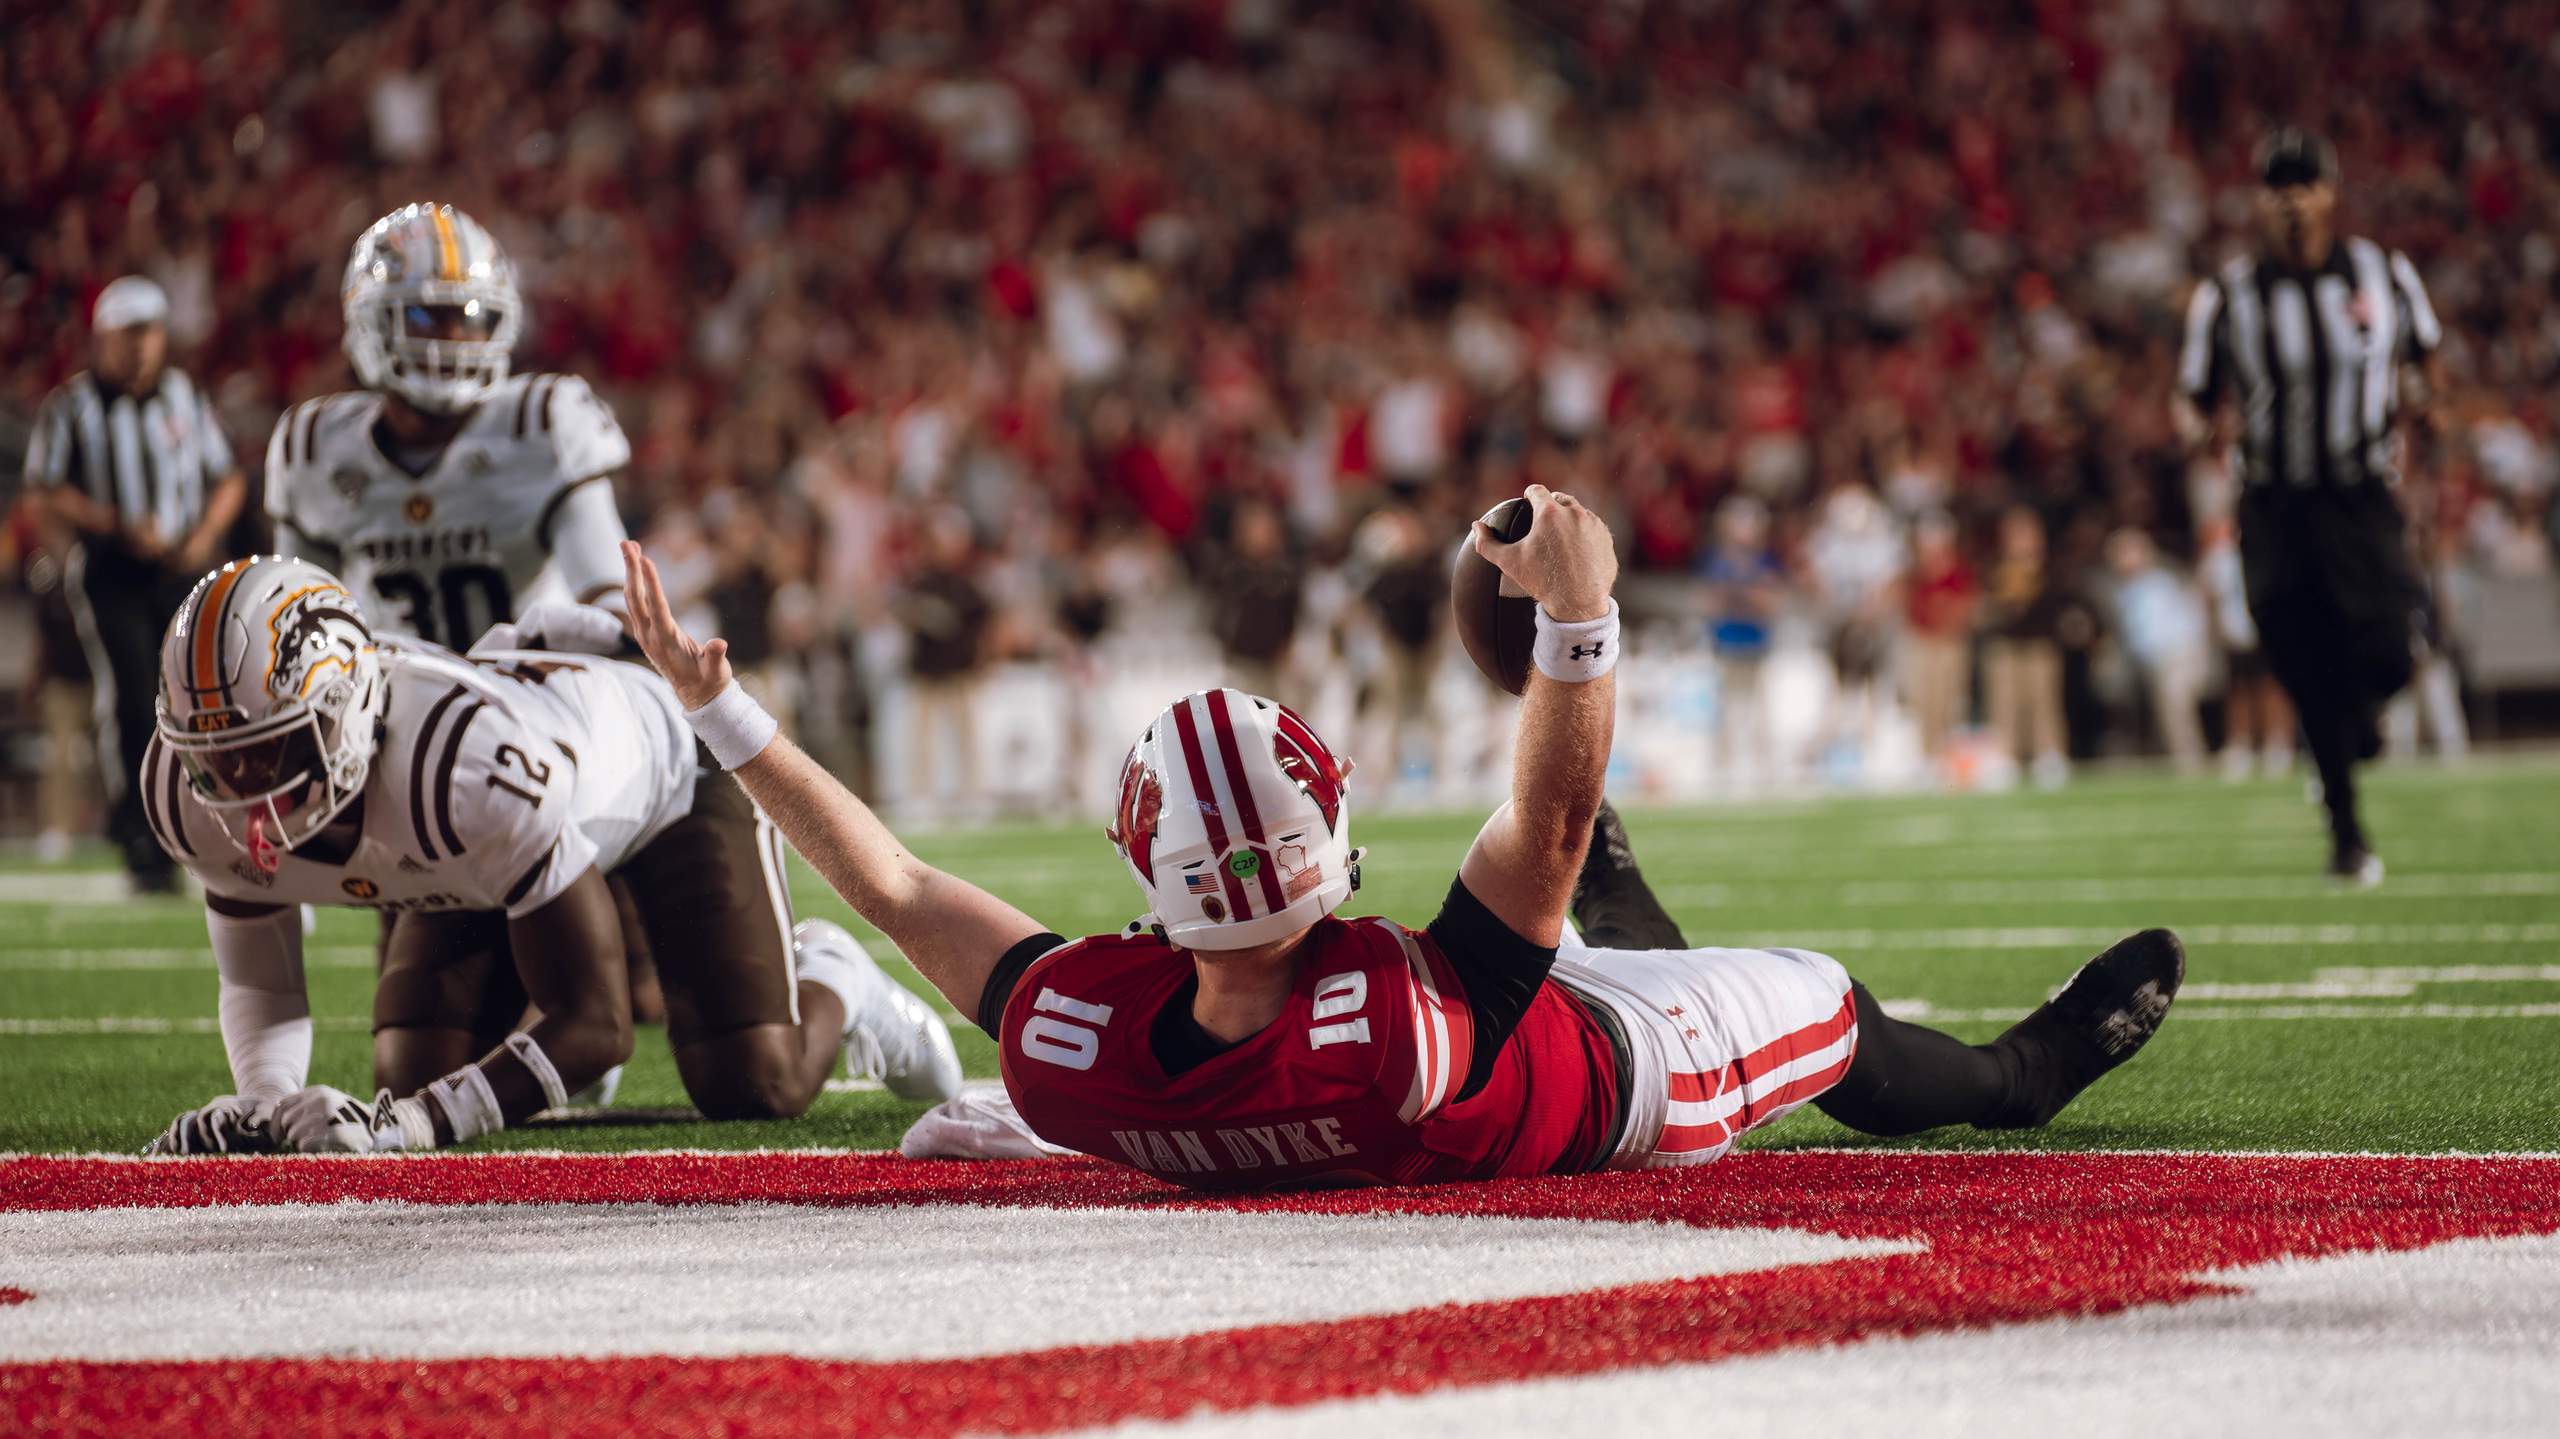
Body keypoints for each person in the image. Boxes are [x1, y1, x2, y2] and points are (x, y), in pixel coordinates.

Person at [619, 487, 2184, 1192]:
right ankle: (2022, 1074)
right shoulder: (1397, 1021)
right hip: (1609, 1077)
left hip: (1467, 1007)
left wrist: (724, 716)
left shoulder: (1077, 1055)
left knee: (1557, 909)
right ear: (1329, 845)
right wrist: (1580, 620)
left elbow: (893, 887)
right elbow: (1544, 822)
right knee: (1826, 999)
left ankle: (1616, 918)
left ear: (1148, 886)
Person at [137, 556, 960, 1156]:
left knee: (752, 1080)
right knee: (412, 1065)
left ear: (348, 713)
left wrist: (423, 1124)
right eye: (218, 760)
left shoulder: (465, 770)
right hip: (500, 836)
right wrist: (266, 1107)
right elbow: (259, 982)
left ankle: (837, 976)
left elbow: (598, 1023)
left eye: (270, 753)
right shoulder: (185, 793)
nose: (241, 794)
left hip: (661, 771)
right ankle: (532, 1050)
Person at [2174, 130, 2444, 885]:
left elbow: (2425, 354)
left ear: (2331, 192)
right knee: (2303, 660)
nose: (2292, 197)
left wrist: (2427, 401)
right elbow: (2191, 398)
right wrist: (2199, 430)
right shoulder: (2227, 295)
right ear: (2261, 200)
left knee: (2392, 647)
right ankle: (2347, 835)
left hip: (2360, 495)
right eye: (2278, 184)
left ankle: (2358, 727)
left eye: (2305, 182)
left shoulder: (2382, 273)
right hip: (2274, 507)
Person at [265, 204, 633, 650]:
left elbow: (613, 607)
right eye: (426, 317)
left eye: (471, 318)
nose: (455, 337)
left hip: (536, 694)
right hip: (391, 701)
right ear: (371, 322)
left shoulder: (541, 425)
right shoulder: (315, 448)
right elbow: (298, 629)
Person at [21, 276, 248, 892]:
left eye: (149, 333)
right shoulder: (73, 407)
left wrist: (201, 537)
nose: (141, 347)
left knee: (197, 694)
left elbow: (227, 477)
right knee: (129, 695)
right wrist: (113, 524)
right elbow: (43, 488)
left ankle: (203, 821)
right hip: (110, 569)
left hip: (178, 566)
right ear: (102, 340)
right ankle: (139, 829)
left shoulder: (183, 396)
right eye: (129, 336)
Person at [1979, 506, 2073, 789]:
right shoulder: (1995, 566)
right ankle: (2006, 756)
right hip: (2006, 645)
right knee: (2005, 702)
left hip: (2040, 643)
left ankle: (2049, 754)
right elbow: (1992, 608)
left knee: (2044, 701)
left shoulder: (2052, 566)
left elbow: (2059, 604)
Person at [1697, 496, 1785, 792]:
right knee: (1725, 707)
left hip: (1755, 643)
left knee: (1760, 708)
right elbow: (1712, 602)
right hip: (1727, 641)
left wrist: (1743, 592)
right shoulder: (1718, 561)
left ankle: (1765, 765)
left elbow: (1769, 602)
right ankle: (1722, 764)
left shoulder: (1763, 561)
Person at [1901, 511, 1979, 772]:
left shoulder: (1958, 571)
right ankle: (1927, 756)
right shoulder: (1916, 572)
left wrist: (1948, 620)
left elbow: (1966, 607)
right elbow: (1908, 604)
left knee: (1950, 702)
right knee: (1925, 702)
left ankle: (1950, 756)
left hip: (1948, 643)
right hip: (1923, 643)